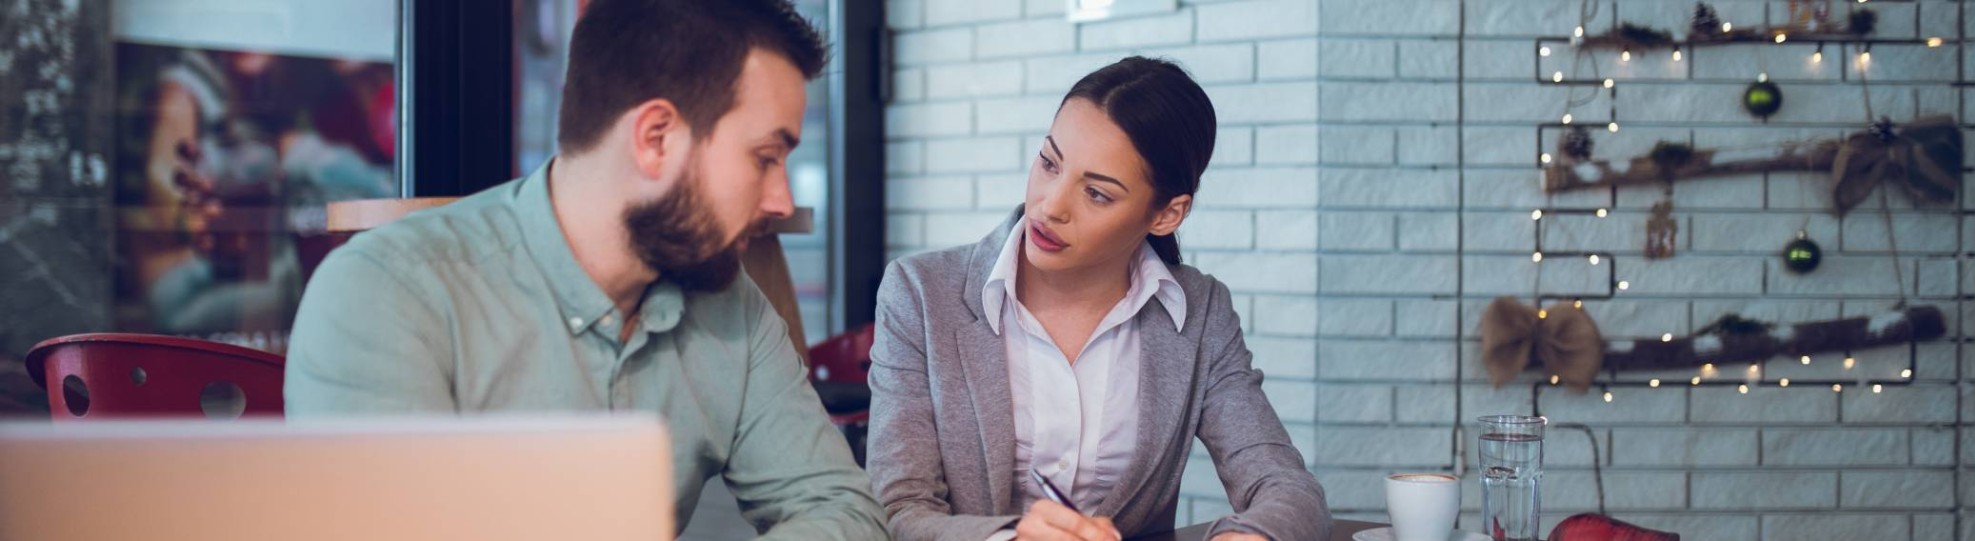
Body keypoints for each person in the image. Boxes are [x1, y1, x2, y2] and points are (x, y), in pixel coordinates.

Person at [284, 0, 887, 538]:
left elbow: (842, 508)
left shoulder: (732, 305)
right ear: (655, 137)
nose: (782, 199)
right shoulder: (386, 295)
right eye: (765, 157)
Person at [866, 57, 1329, 541]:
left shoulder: (1199, 312)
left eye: (1097, 194)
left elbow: (1287, 488)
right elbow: (897, 510)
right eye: (1049, 163)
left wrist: (1246, 538)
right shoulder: (920, 294)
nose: (1051, 206)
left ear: (1167, 215)